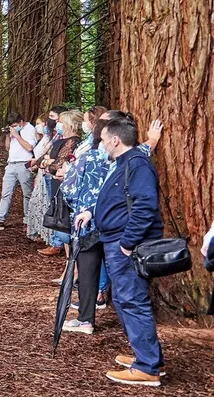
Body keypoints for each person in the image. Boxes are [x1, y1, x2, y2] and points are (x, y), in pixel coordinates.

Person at [76, 115, 166, 386]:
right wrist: (93, 212)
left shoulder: (137, 165)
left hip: (126, 245)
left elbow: (144, 206)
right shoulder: (122, 163)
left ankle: (148, 367)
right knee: (126, 300)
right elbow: (117, 199)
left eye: (103, 140)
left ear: (115, 140)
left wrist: (127, 243)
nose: (101, 145)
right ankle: (147, 356)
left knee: (132, 300)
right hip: (116, 241)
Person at [62, 114, 162, 335]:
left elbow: (69, 189)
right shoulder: (125, 157)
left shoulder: (95, 158)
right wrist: (153, 139)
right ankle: (103, 300)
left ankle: (86, 317)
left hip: (107, 229)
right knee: (117, 279)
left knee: (91, 271)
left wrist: (83, 207)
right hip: (107, 224)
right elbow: (143, 151)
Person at [39, 109, 82, 259]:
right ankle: (68, 267)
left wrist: (50, 163)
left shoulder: (73, 141)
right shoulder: (61, 140)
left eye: (61, 122)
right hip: (55, 181)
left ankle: (73, 268)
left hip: (64, 184)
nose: (57, 125)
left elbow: (59, 164)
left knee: (65, 224)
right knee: (61, 224)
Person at [0, 111, 38, 226]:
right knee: (5, 193)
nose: (13, 128)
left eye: (15, 125)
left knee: (27, 193)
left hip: (24, 163)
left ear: (21, 122)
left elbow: (29, 147)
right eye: (11, 126)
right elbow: (8, 148)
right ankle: (0, 218)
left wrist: (17, 135)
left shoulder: (30, 129)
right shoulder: (13, 131)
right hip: (11, 163)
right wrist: (8, 135)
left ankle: (28, 219)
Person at [25, 115, 56, 245]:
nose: (40, 126)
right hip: (40, 171)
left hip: (48, 172)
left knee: (47, 203)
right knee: (37, 202)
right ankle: (39, 231)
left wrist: (40, 162)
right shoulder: (44, 139)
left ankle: (52, 238)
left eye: (41, 123)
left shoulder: (54, 139)